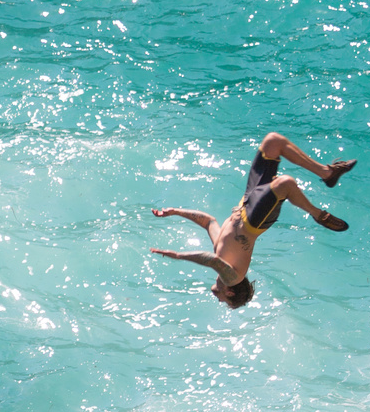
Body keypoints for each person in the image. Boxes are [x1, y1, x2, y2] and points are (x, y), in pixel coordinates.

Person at [149, 132, 356, 308]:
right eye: (224, 301)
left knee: (273, 142)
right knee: (286, 183)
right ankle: (318, 215)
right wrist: (177, 255)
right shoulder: (233, 278)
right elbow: (211, 261)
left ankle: (327, 173)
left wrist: (176, 211)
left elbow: (208, 221)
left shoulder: (220, 251)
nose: (219, 299)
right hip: (255, 221)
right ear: (230, 293)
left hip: (246, 201)